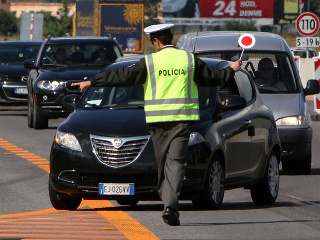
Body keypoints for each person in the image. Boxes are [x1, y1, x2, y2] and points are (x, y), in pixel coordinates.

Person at [72, 24, 242, 226]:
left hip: (158, 124)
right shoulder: (189, 59)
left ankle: (170, 205)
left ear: (156, 41)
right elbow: (213, 79)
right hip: (182, 121)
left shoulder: (150, 62)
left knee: (165, 164)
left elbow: (123, 77)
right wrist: (231, 69)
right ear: (171, 39)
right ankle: (170, 202)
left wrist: (93, 82)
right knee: (175, 163)